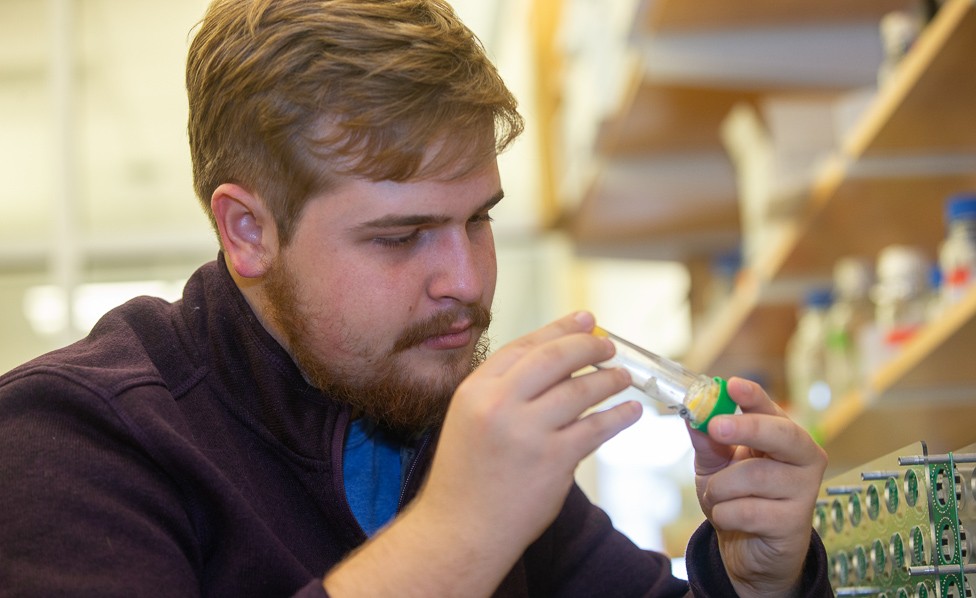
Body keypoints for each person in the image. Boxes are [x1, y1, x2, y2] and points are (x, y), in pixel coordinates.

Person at [0, 0, 832, 596]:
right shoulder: (67, 441)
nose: (467, 283)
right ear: (248, 231)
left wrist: (758, 585)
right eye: (400, 237)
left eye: (480, 220)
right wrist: (460, 534)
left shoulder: (439, 414)